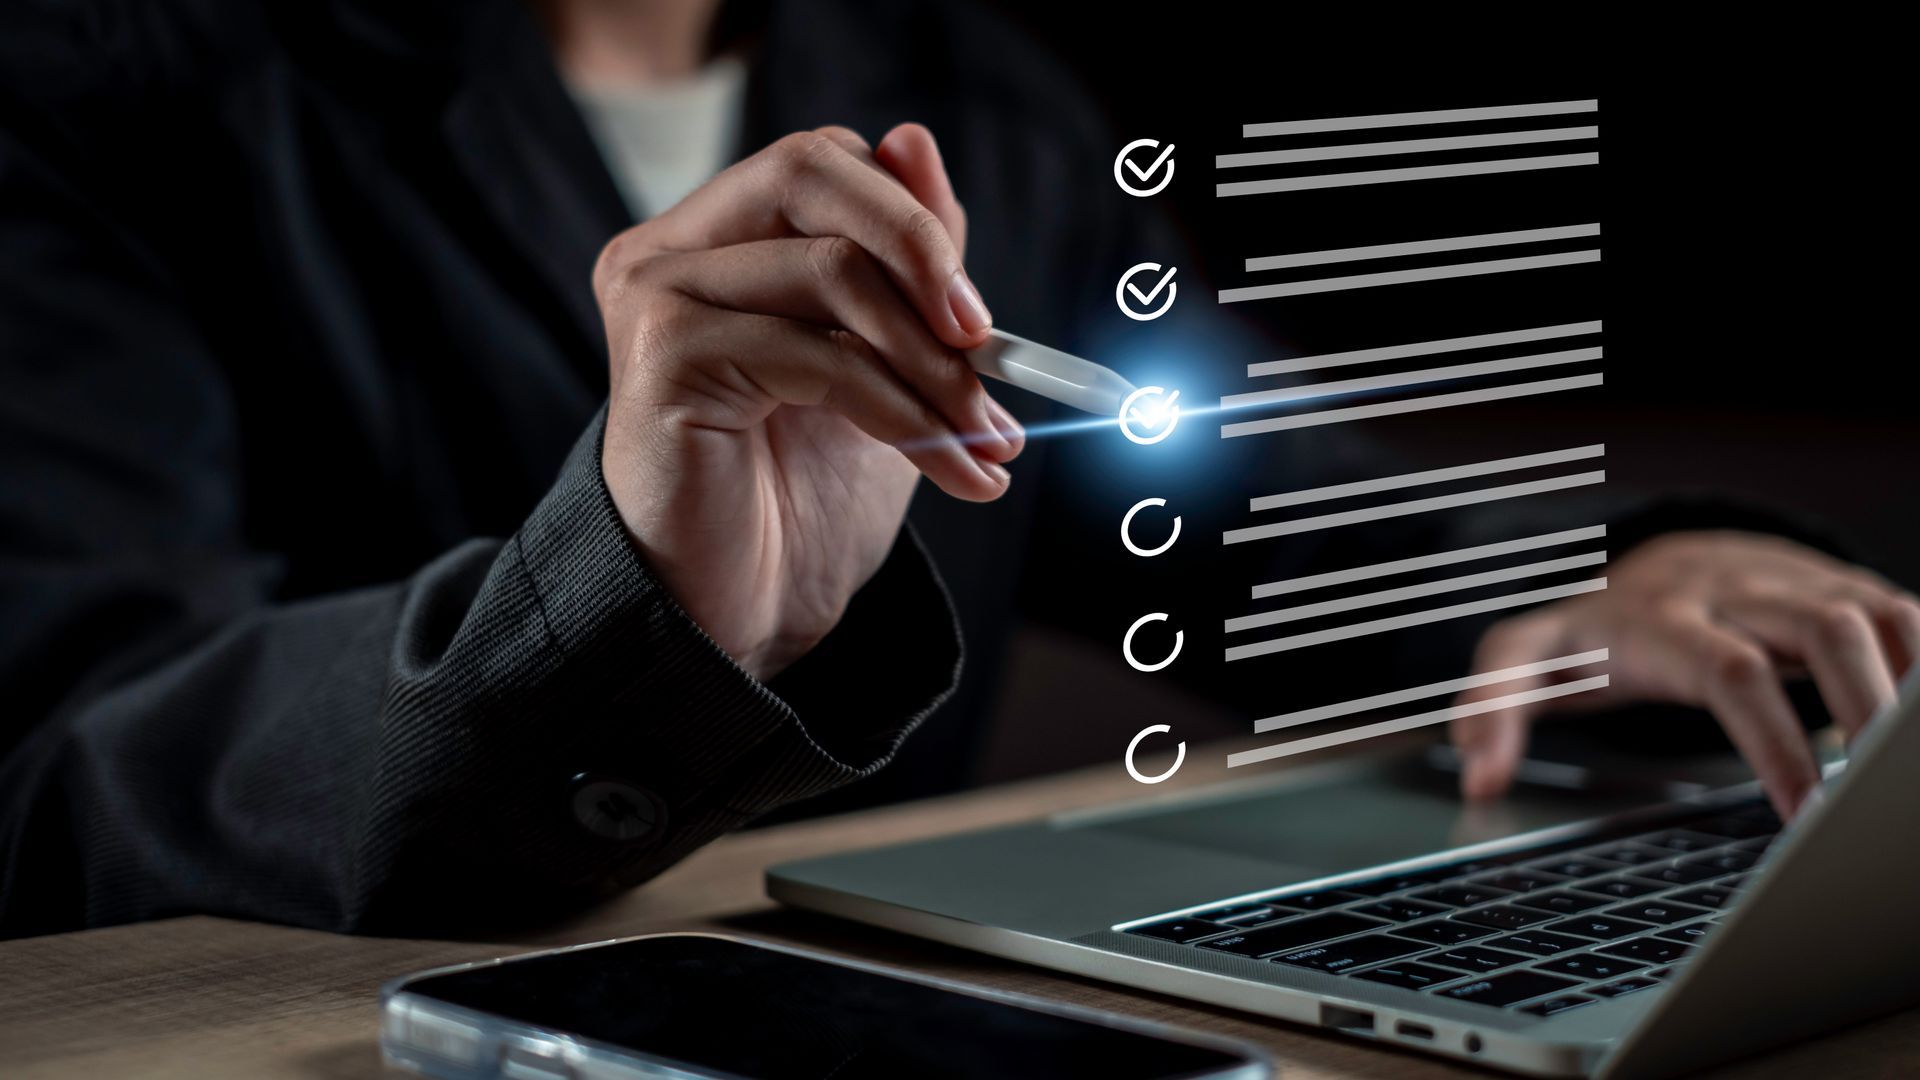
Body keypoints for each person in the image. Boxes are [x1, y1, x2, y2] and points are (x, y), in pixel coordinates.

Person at [1, 0, 1912, 939]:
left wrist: (1579, 583)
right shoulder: (111, 87)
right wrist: (619, 597)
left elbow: (1236, 499)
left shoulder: (969, 96)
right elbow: (77, 743)